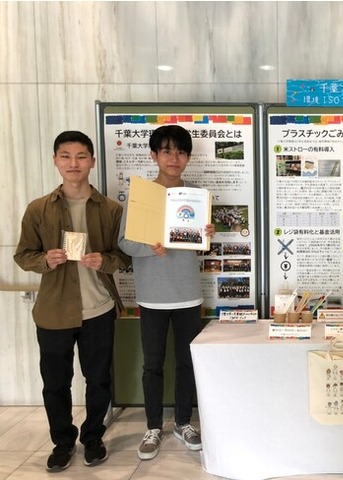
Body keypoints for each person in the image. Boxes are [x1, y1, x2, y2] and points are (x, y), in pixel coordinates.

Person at [14, 131, 131, 471]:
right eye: (65, 156)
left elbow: (124, 256)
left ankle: (93, 438)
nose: (73, 163)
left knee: (99, 380)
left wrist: (104, 261)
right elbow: (23, 254)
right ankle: (62, 442)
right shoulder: (39, 208)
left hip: (99, 308)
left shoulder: (111, 209)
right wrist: (44, 260)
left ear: (92, 161)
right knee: (55, 383)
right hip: (54, 311)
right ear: (55, 160)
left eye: (81, 156)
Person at [118, 125, 214, 461]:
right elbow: (124, 242)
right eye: (167, 150)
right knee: (153, 364)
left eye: (181, 152)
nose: (174, 158)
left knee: (187, 362)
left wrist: (206, 235)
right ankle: (153, 426)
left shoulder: (196, 195)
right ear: (154, 155)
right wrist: (149, 249)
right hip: (152, 295)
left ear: (188, 158)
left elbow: (200, 247)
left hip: (188, 292)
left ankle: (183, 422)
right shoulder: (141, 196)